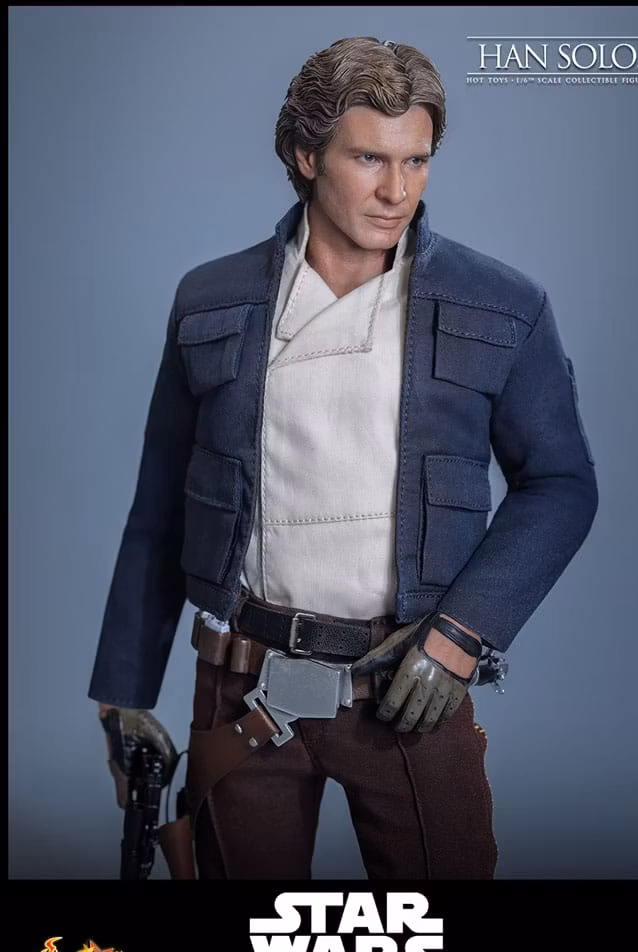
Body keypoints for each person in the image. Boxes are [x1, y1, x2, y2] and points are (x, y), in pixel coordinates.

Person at [89, 36, 598, 880]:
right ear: (306, 155)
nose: (398, 190)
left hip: (407, 686)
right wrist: (123, 693)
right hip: (243, 688)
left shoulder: (501, 304)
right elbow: (160, 504)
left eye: (416, 161)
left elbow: (561, 485)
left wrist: (461, 637)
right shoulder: (212, 299)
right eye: (369, 159)